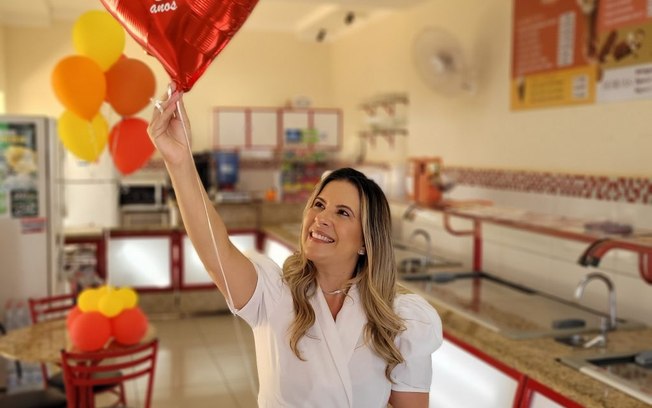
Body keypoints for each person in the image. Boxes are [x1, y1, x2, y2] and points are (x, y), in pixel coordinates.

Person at [148, 85, 443, 408]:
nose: (321, 218)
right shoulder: (273, 294)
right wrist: (179, 162)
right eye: (319, 204)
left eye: (342, 213)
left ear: (366, 242)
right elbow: (216, 251)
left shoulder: (401, 320)